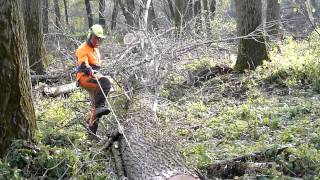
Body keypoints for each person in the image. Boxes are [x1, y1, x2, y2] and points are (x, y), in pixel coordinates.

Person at [75, 24, 111, 134]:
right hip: (84, 77)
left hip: (93, 77)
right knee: (105, 83)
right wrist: (89, 69)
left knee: (97, 107)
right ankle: (98, 109)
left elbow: (97, 65)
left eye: (99, 39)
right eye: (96, 38)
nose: (97, 41)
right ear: (90, 36)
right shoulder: (83, 49)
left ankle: (92, 132)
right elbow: (83, 64)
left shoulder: (95, 50)